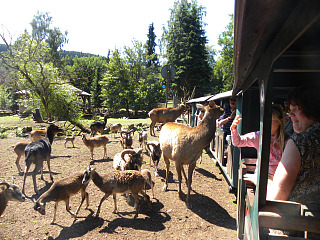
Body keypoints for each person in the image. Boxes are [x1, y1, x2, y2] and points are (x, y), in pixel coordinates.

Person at [267, 86, 320, 205]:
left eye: (296, 108)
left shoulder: (300, 141)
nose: (290, 114)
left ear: (313, 109)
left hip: (297, 219)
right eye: (290, 109)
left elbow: (276, 198)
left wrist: (262, 183)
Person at [231, 105, 286, 182]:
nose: (267, 123)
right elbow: (238, 142)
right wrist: (234, 128)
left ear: (280, 121)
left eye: (271, 120)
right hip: (264, 177)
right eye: (265, 120)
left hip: (282, 177)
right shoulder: (258, 137)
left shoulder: (287, 140)